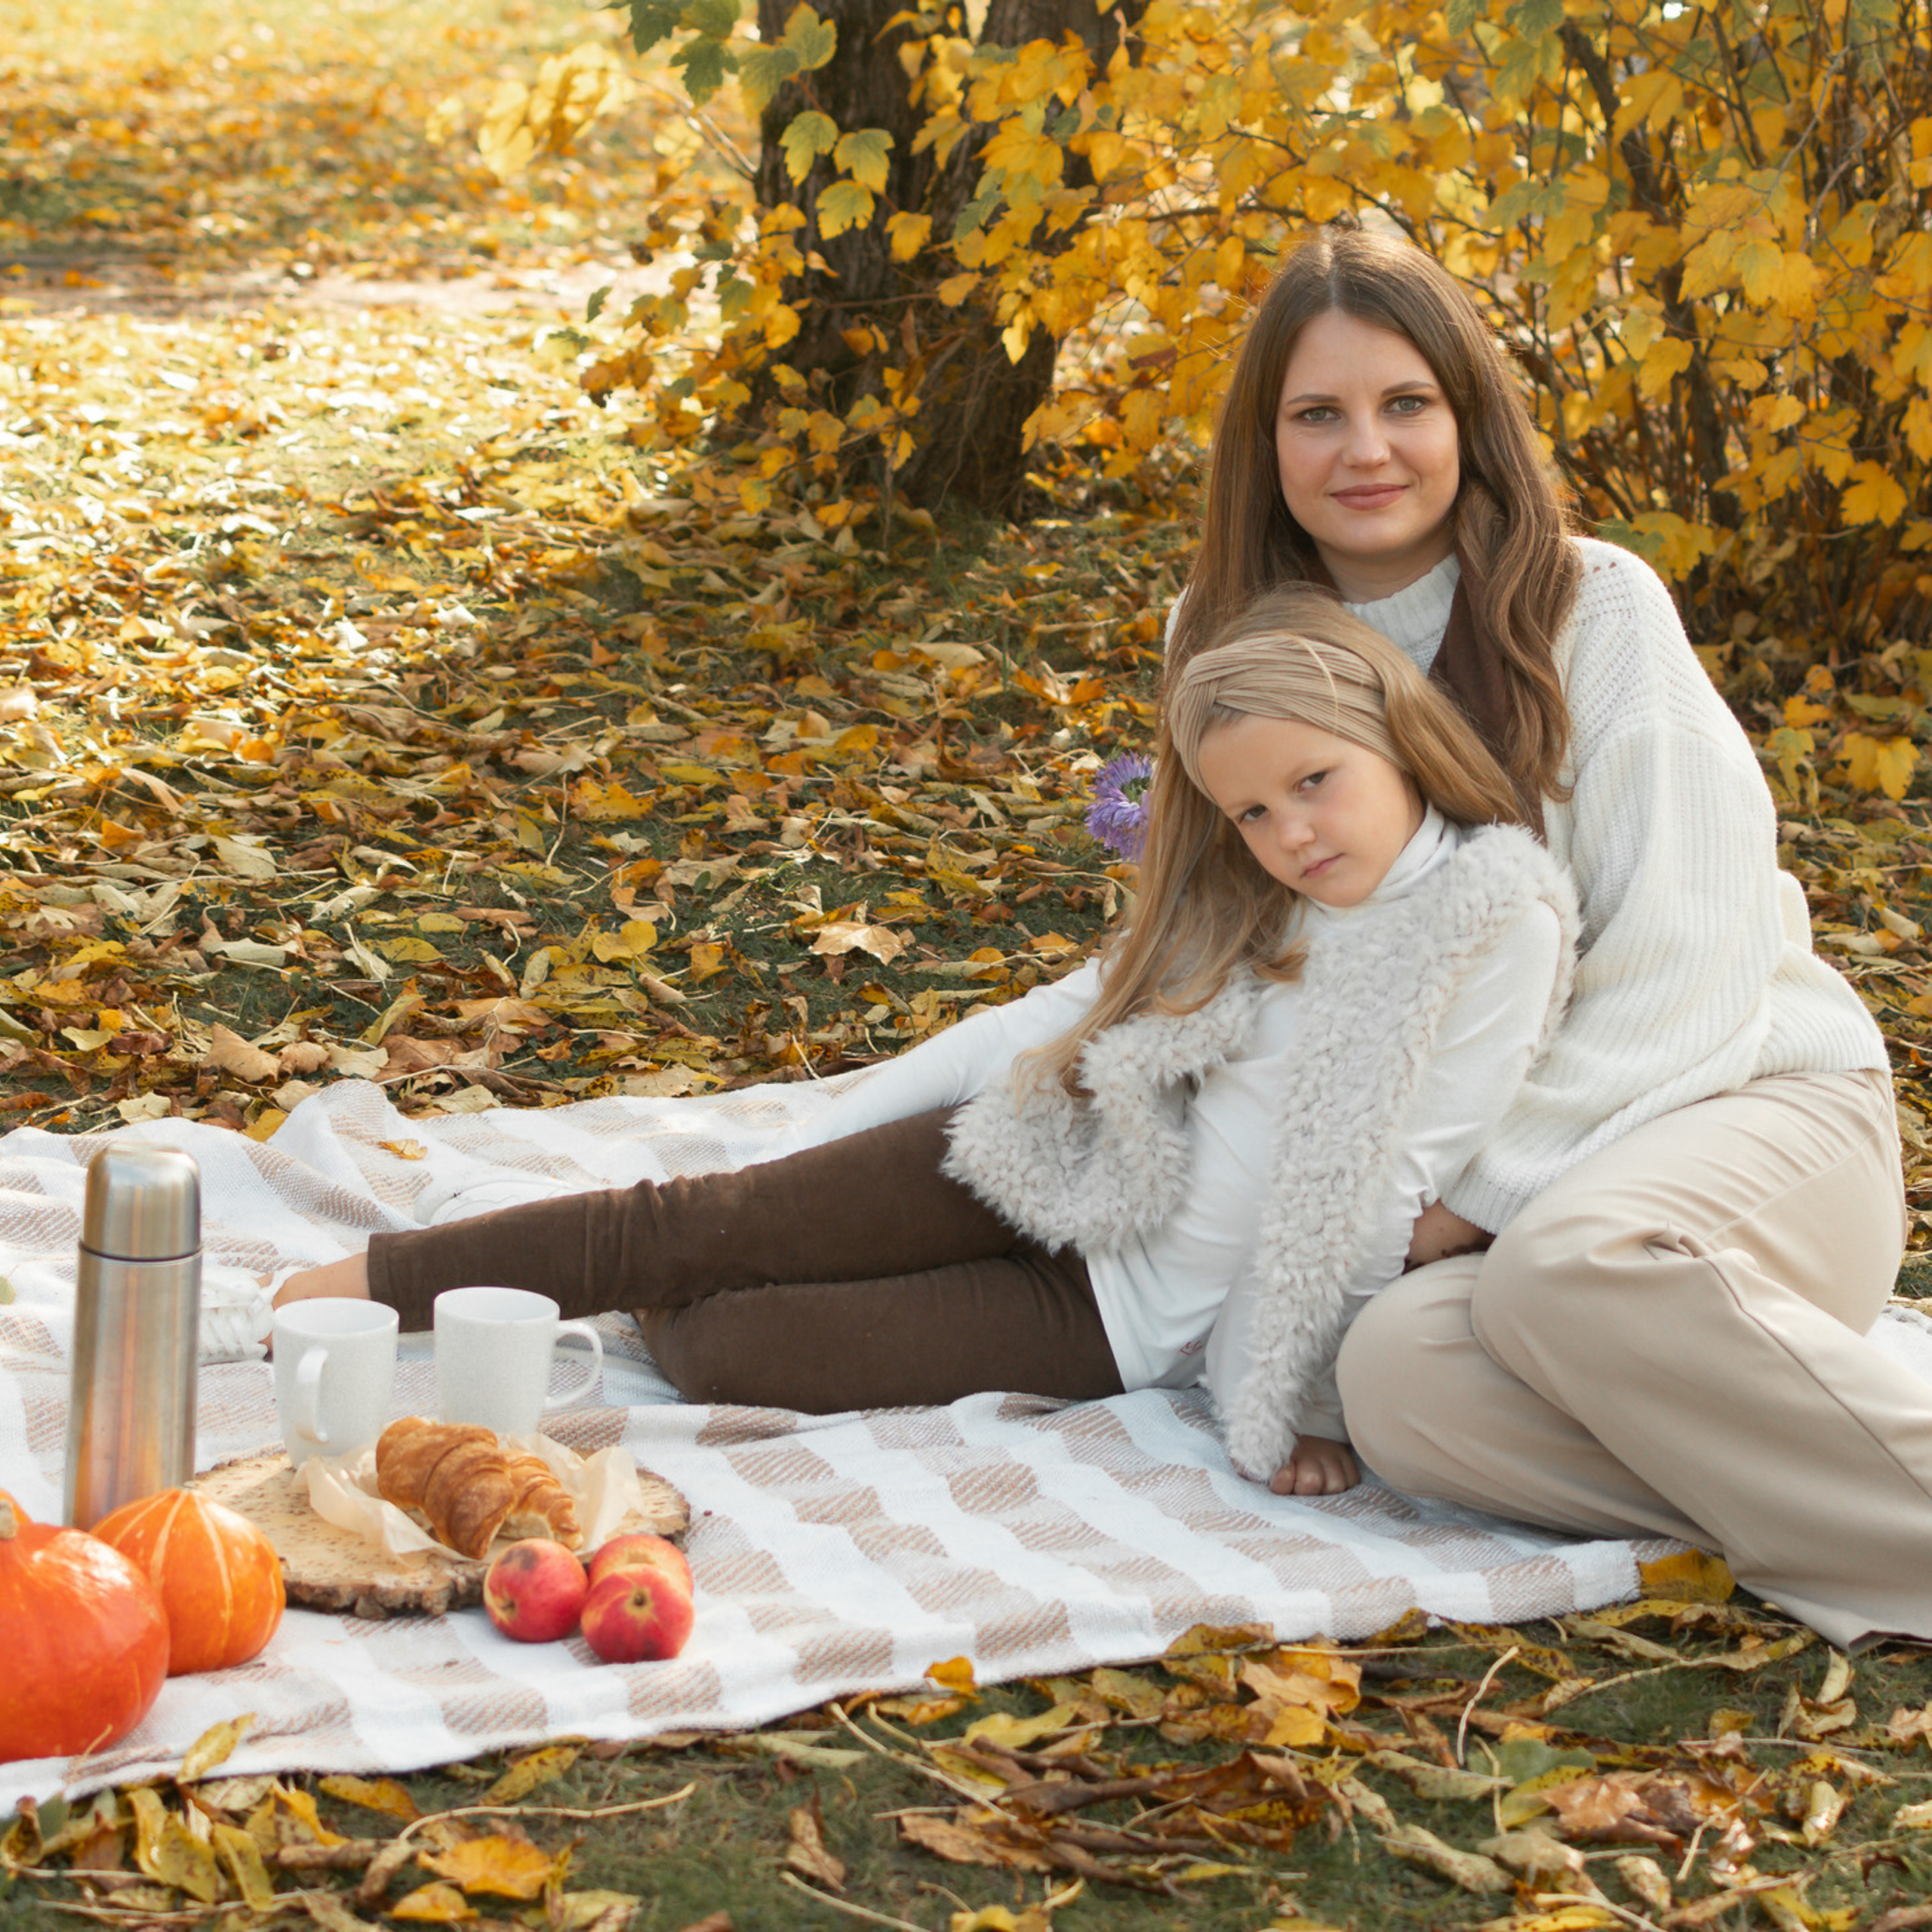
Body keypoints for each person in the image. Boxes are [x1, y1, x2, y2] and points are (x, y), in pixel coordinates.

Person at [276, 593, 1574, 1498]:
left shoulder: (1485, 921)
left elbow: (1378, 1193)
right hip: (1047, 1151)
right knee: (693, 1222)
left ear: (1397, 735)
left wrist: (1289, 1403)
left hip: (1100, 1309)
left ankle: (615, 1279)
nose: (1290, 831)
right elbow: (1050, 1018)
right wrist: (799, 1167)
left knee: (730, 1350)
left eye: (1315, 783)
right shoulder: (1263, 893)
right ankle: (347, 1291)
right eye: (1251, 809)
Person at [1168, 218, 1918, 1646]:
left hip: (1748, 1113)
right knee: (1399, 1386)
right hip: (1498, 1256)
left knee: (1566, 1260)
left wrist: (1460, 1202)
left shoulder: (1594, 606)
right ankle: (1811, 1503)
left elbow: (1688, 967)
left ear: (1469, 417)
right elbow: (1235, 970)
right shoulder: (1225, 650)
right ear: (1264, 446)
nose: (1365, 449)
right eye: (1317, 415)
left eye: (1407, 404)